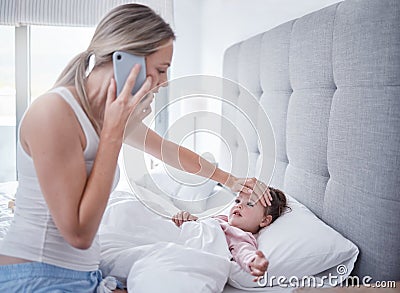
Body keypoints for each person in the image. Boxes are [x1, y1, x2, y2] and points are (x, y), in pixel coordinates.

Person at [0, 3, 272, 292]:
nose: (165, 82)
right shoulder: (54, 112)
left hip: (85, 274)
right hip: (37, 276)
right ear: (126, 61)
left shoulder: (109, 113)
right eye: (161, 69)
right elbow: (78, 234)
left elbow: (169, 151)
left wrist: (230, 180)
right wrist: (113, 135)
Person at [172, 187, 289, 282]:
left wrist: (254, 261)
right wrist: (187, 219)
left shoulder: (240, 235)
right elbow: (200, 227)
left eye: (250, 204)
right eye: (238, 201)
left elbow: (243, 251)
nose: (239, 205)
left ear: (264, 221)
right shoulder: (220, 219)